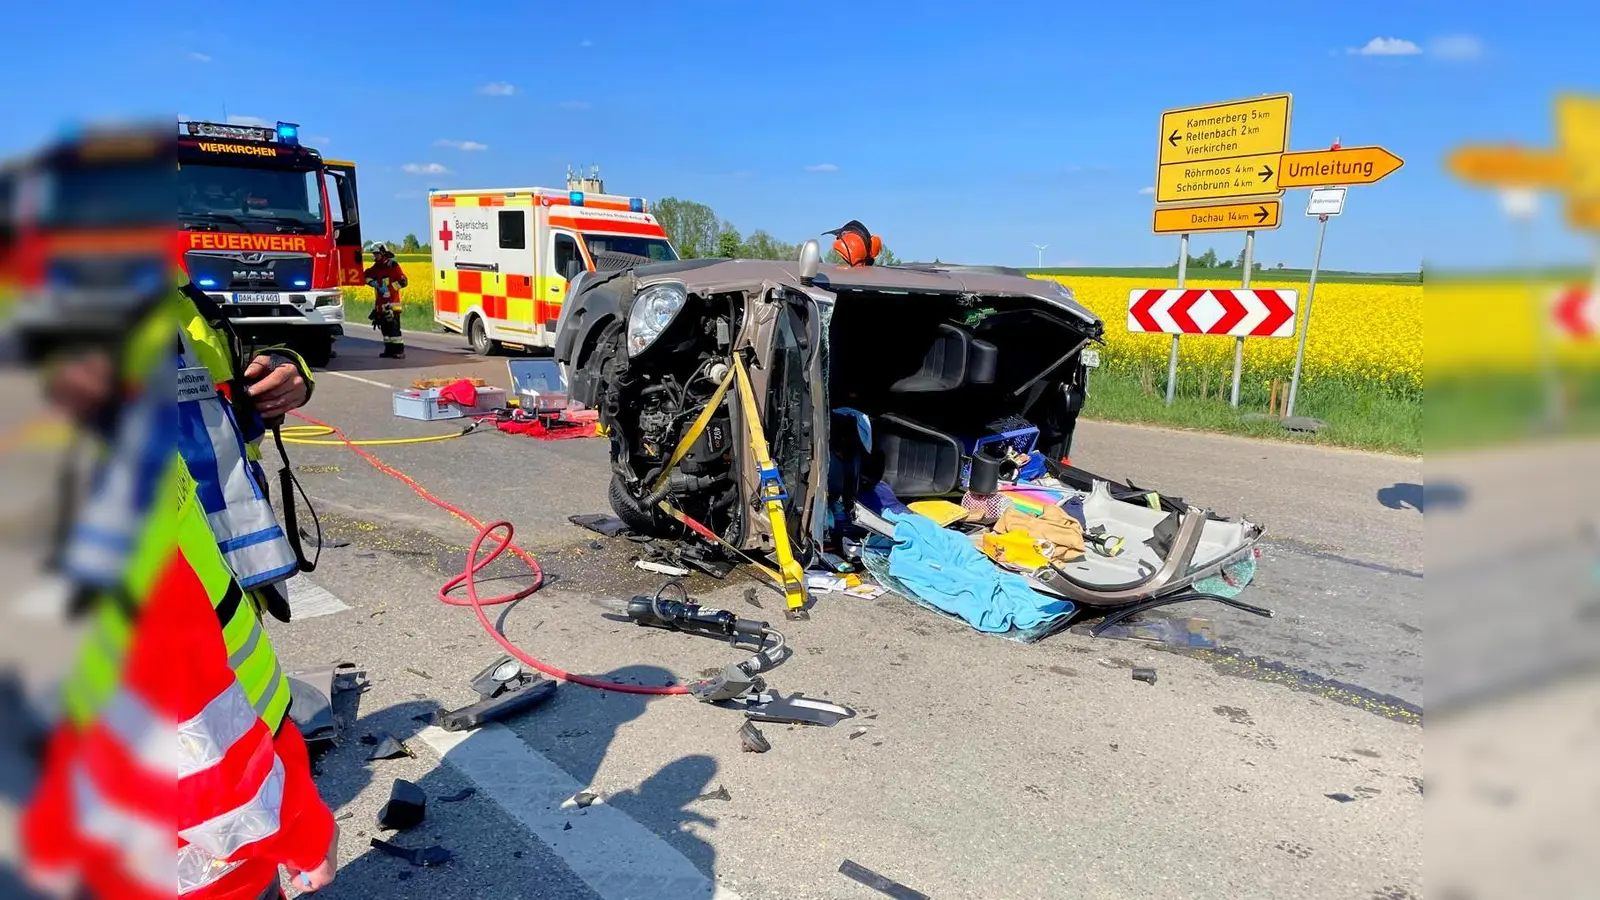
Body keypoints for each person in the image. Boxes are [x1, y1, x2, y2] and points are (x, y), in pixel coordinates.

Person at [19, 274, 338, 900]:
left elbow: (221, 391)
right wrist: (295, 827)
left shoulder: (172, 294)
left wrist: (287, 373)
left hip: (212, 577)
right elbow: (187, 715)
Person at [364, 244, 408, 359]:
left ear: (383, 253)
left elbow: (404, 281)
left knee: (394, 330)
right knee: (385, 331)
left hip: (393, 304)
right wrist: (372, 282)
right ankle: (389, 350)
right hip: (380, 305)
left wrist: (390, 289)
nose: (375, 256)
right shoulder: (376, 268)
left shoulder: (393, 265)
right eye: (374, 254)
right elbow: (364, 276)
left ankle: (399, 351)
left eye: (377, 254)